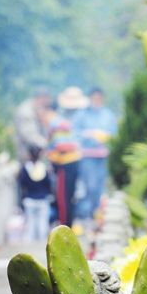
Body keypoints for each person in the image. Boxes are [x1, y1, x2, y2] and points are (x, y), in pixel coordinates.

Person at [45, 87, 88, 227]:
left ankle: (66, 226)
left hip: (67, 163)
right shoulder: (63, 121)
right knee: (66, 197)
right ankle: (66, 226)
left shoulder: (63, 121)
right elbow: (62, 145)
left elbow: (61, 146)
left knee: (65, 197)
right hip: (68, 162)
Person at [74, 88, 117, 220]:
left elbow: (114, 134)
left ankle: (99, 217)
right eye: (94, 98)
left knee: (100, 187)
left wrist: (105, 136)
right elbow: (75, 133)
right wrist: (88, 134)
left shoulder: (108, 115)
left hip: (103, 156)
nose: (96, 101)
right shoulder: (82, 114)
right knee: (89, 187)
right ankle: (88, 215)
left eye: (99, 98)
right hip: (88, 157)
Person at [19, 145, 51, 241]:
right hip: (42, 200)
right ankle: (42, 245)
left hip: (29, 199)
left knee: (30, 224)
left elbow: (22, 183)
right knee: (43, 224)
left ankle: (30, 247)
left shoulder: (25, 168)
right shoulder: (43, 167)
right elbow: (48, 183)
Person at [14, 89, 51, 162]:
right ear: (41, 98)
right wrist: (47, 145)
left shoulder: (36, 108)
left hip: (34, 152)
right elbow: (29, 135)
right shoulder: (26, 112)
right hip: (26, 153)